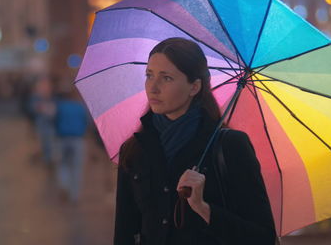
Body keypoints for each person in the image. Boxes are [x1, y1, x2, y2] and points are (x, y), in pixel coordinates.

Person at [114, 38, 276, 245]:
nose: (153, 88)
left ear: (194, 87)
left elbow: (263, 237)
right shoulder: (134, 150)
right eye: (149, 75)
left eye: (167, 78)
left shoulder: (229, 146)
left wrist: (203, 208)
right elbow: (124, 233)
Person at [54, 89, 88, 202]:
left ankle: (64, 185)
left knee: (63, 164)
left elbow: (55, 120)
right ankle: (75, 196)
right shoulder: (80, 107)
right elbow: (86, 122)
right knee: (76, 168)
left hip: (62, 138)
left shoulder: (60, 107)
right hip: (78, 139)